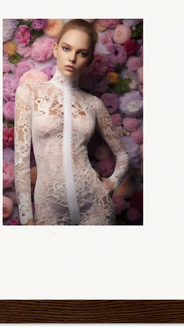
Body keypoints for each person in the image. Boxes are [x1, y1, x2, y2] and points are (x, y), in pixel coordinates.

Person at [14, 19, 130, 225]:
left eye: (82, 53)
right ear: (56, 49)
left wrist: (112, 183)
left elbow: (122, 154)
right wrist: (26, 218)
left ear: (90, 59)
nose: (73, 58)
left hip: (95, 203)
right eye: (67, 49)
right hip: (49, 205)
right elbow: (21, 163)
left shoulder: (94, 104)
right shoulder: (29, 93)